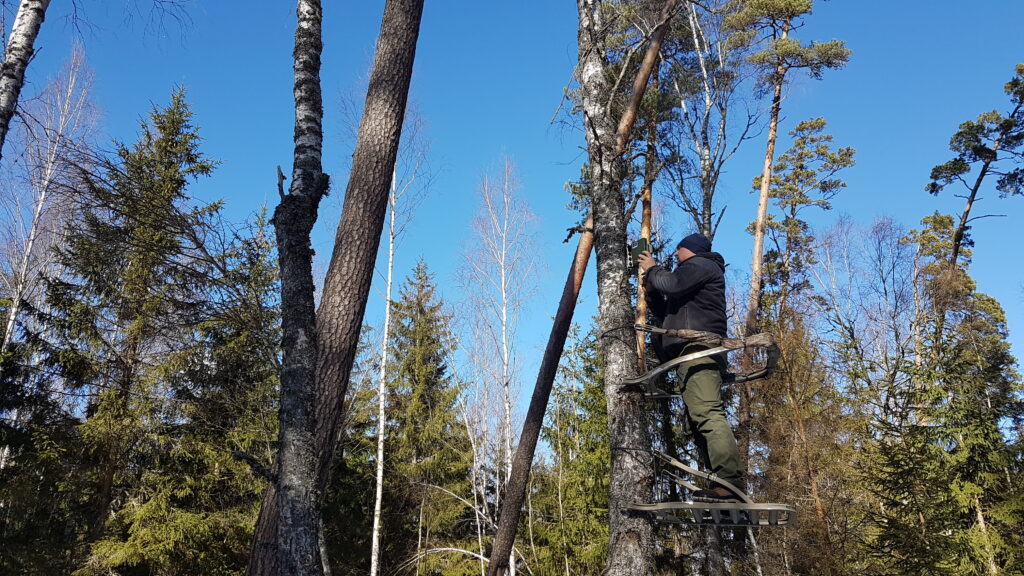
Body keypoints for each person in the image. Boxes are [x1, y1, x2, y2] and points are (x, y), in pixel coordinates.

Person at [637, 232, 743, 502]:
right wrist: (652, 295)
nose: (675, 254)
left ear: (691, 250)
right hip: (689, 352)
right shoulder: (692, 275)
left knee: (707, 413)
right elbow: (669, 316)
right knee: (699, 420)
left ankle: (730, 484)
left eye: (679, 250)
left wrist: (652, 269)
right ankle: (723, 485)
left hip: (699, 350)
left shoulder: (701, 266)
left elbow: (671, 285)